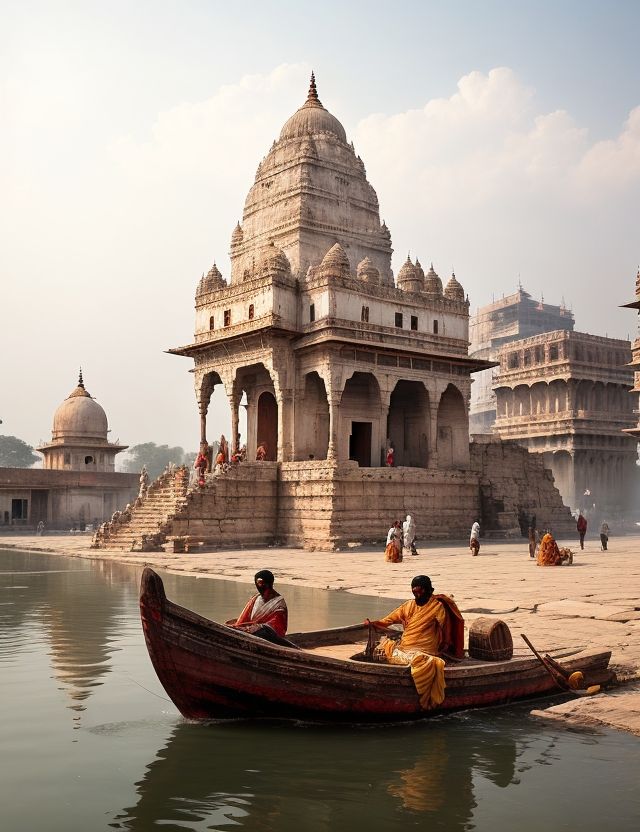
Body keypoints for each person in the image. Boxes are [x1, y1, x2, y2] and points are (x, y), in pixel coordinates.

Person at [365, 576, 464, 710]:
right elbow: (387, 620)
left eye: (420, 592)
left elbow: (445, 627)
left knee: (423, 662)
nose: (417, 595)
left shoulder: (436, 607)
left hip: (425, 650)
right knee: (382, 649)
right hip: (405, 648)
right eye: (414, 592)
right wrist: (372, 623)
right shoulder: (408, 605)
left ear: (428, 590)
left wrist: (445, 643)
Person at [227, 569, 288, 642]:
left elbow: (277, 625)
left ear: (269, 583)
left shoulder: (279, 602)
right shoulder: (255, 598)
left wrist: (259, 627)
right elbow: (244, 619)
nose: (260, 585)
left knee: (262, 633)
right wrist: (241, 627)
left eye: (261, 582)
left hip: (269, 635)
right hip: (251, 630)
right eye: (258, 583)